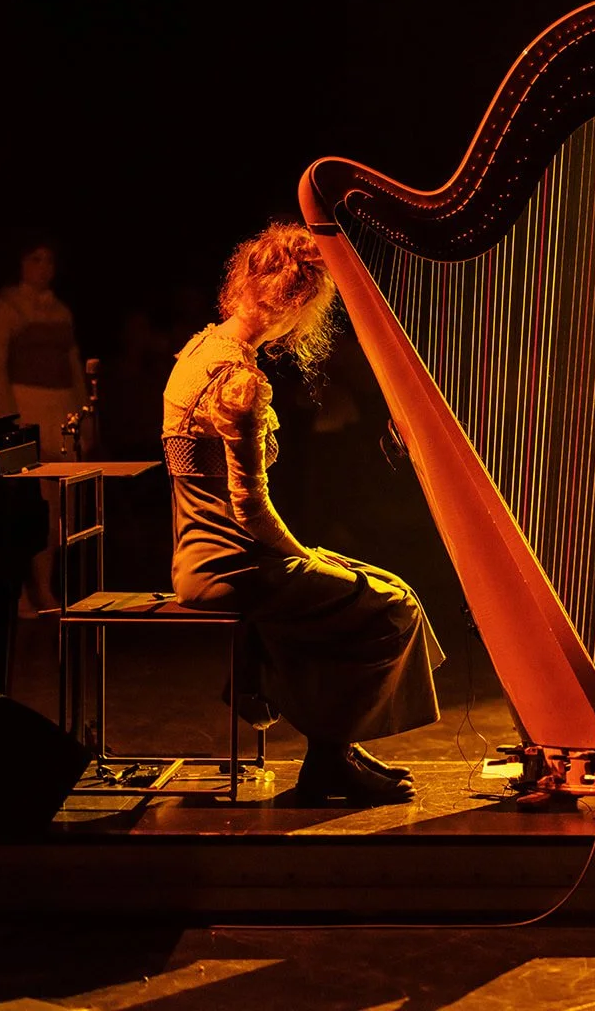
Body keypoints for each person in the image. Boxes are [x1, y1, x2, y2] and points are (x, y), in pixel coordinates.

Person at [161, 220, 444, 805]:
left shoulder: (200, 349)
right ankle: (328, 757)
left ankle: (334, 747)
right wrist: (298, 553)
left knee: (372, 585)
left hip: (208, 554)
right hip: (232, 565)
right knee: (393, 606)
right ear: (293, 304)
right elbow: (250, 507)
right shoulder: (235, 380)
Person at [0, 235, 89, 614]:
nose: (44, 268)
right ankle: (21, 590)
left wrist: (83, 415)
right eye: (35, 259)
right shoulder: (5, 307)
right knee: (28, 502)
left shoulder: (60, 311)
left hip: (59, 412)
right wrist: (10, 422)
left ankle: (45, 586)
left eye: (49, 260)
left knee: (58, 507)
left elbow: (73, 368)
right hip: (25, 409)